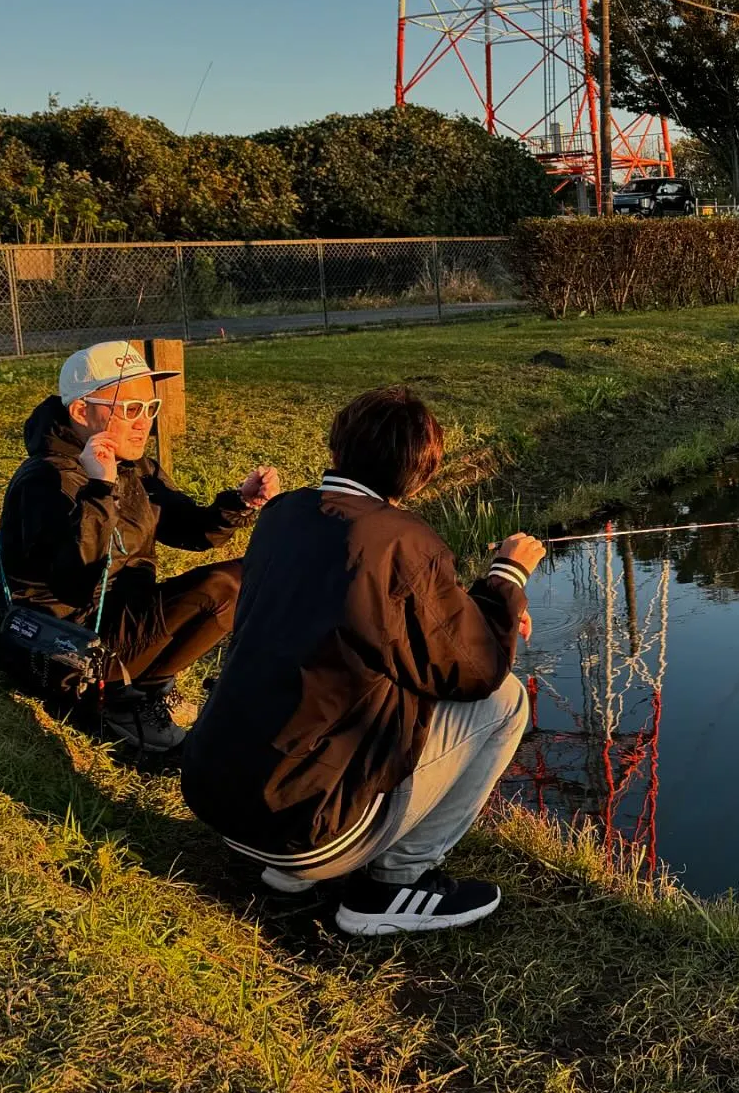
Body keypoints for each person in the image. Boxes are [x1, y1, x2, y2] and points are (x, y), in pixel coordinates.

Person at [181, 386, 545, 937]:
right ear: (420, 475)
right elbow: (476, 670)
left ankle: (289, 872)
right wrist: (507, 579)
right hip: (311, 827)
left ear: (336, 451)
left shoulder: (283, 514)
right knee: (506, 700)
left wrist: (474, 608)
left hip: (217, 797)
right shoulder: (404, 542)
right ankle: (394, 884)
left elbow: (362, 616)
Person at [0, 340, 279, 758]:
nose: (143, 421)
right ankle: (123, 704)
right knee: (224, 586)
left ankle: (145, 686)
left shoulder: (132, 464)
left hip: (124, 616)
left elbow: (190, 530)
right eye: (128, 409)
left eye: (149, 408)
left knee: (250, 573)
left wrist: (238, 503)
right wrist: (100, 489)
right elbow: (75, 582)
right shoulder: (46, 481)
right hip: (73, 644)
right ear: (80, 411)